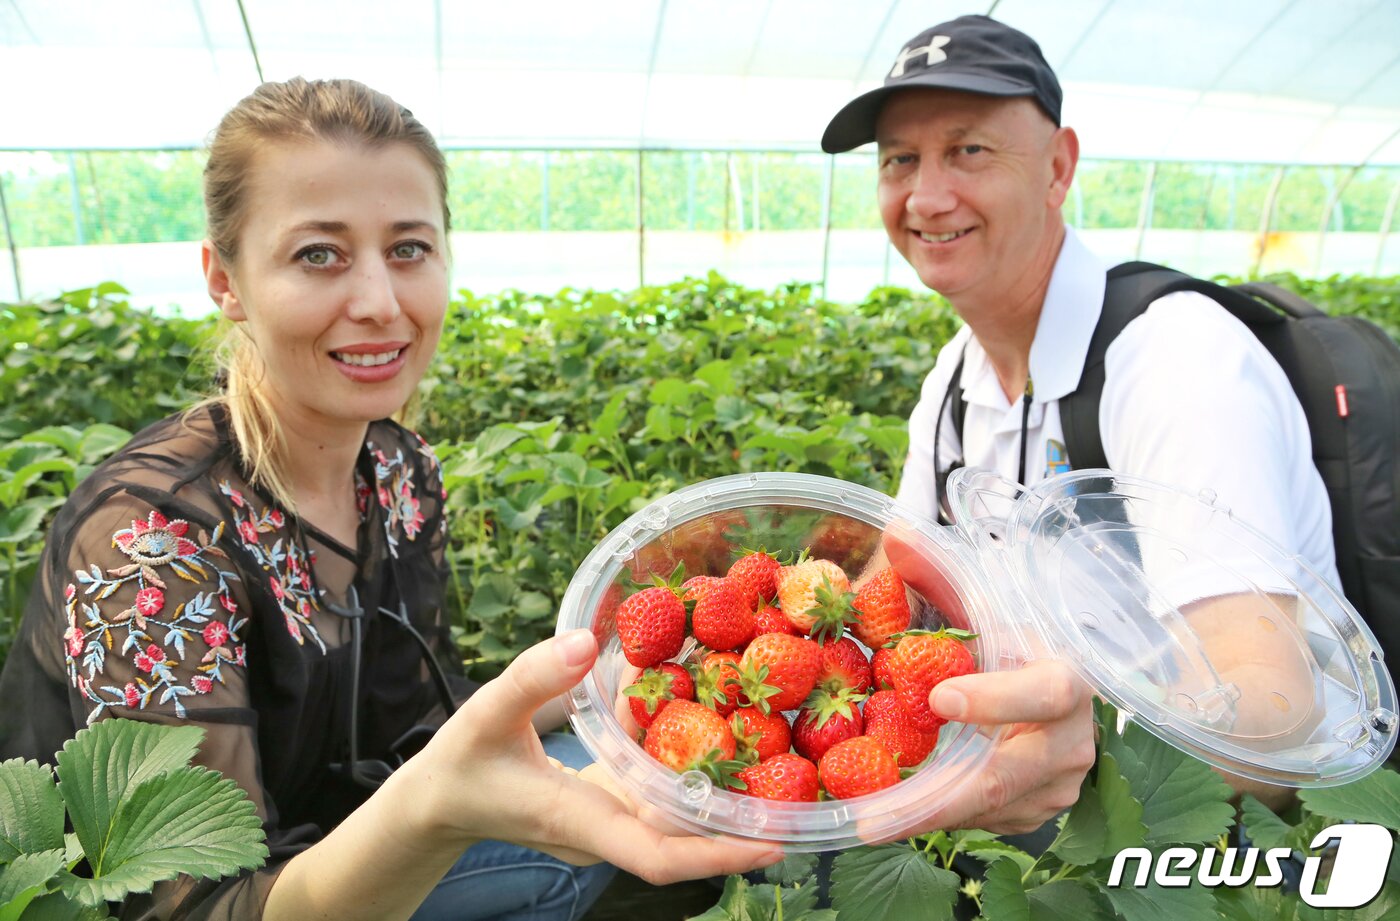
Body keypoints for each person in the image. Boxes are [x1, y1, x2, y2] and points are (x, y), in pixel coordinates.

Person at [0, 77, 784, 921]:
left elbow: (414, 714)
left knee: (617, 768)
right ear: (224, 280)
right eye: (318, 254)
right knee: (562, 858)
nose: (379, 303)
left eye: (408, 248)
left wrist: (621, 671)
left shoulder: (400, 470)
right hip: (218, 898)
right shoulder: (150, 544)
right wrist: (433, 812)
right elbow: (189, 908)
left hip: (333, 832)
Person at [821, 14, 1335, 809]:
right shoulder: (955, 379)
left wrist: (1083, 760)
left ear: (1058, 167)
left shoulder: (1177, 360)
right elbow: (894, 585)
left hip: (1182, 828)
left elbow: (1272, 718)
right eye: (900, 160)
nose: (926, 195)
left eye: (969, 150)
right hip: (1015, 771)